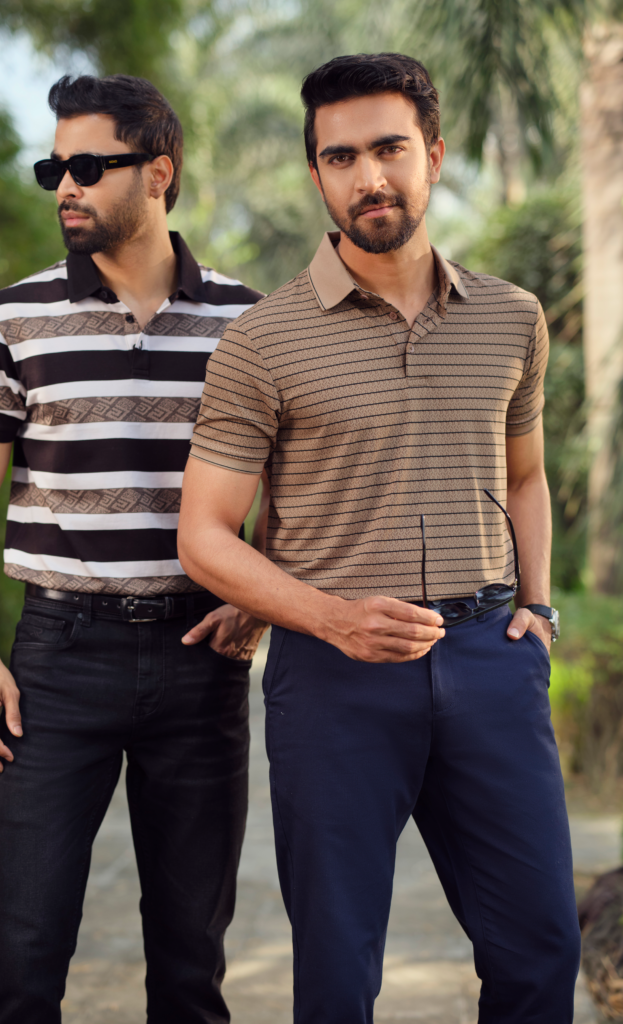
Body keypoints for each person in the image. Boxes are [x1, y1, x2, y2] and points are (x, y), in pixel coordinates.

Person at [178, 52, 579, 1024]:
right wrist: (329, 619)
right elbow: (204, 536)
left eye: (390, 148)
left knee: (540, 948)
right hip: (333, 682)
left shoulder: (511, 317)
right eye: (341, 157)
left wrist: (536, 607)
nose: (370, 176)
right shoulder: (263, 340)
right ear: (317, 175)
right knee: (337, 967)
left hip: (491, 659)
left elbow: (525, 476)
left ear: (433, 155)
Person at [0, 73, 267, 1024]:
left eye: (88, 166)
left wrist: (258, 589)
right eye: (56, 169)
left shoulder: (249, 323)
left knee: (192, 969)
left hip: (201, 657)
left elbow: (293, 486)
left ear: (159, 173)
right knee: (24, 959)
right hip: (56, 659)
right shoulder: (8, 318)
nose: (66, 187)